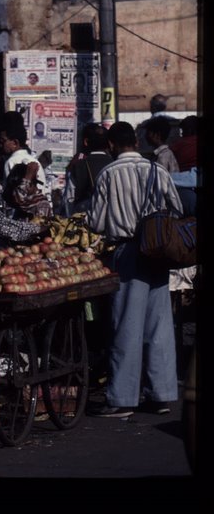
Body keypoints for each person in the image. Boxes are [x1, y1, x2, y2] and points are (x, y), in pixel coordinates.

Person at [88, 121, 183, 418]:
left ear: (112, 146)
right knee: (159, 326)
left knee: (126, 325)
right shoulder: (157, 170)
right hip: (158, 251)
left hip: (127, 250)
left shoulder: (109, 173)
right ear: (136, 141)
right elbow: (176, 209)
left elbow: (96, 222)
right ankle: (161, 395)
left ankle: (123, 399)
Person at [0, 111, 50, 199]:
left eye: (3, 141)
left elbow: (10, 195)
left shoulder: (11, 161)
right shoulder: (33, 159)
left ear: (15, 142)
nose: (0, 145)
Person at [62, 123, 111, 216]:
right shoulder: (114, 163)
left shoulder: (78, 165)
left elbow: (69, 198)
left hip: (85, 220)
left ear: (86, 142)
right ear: (109, 143)